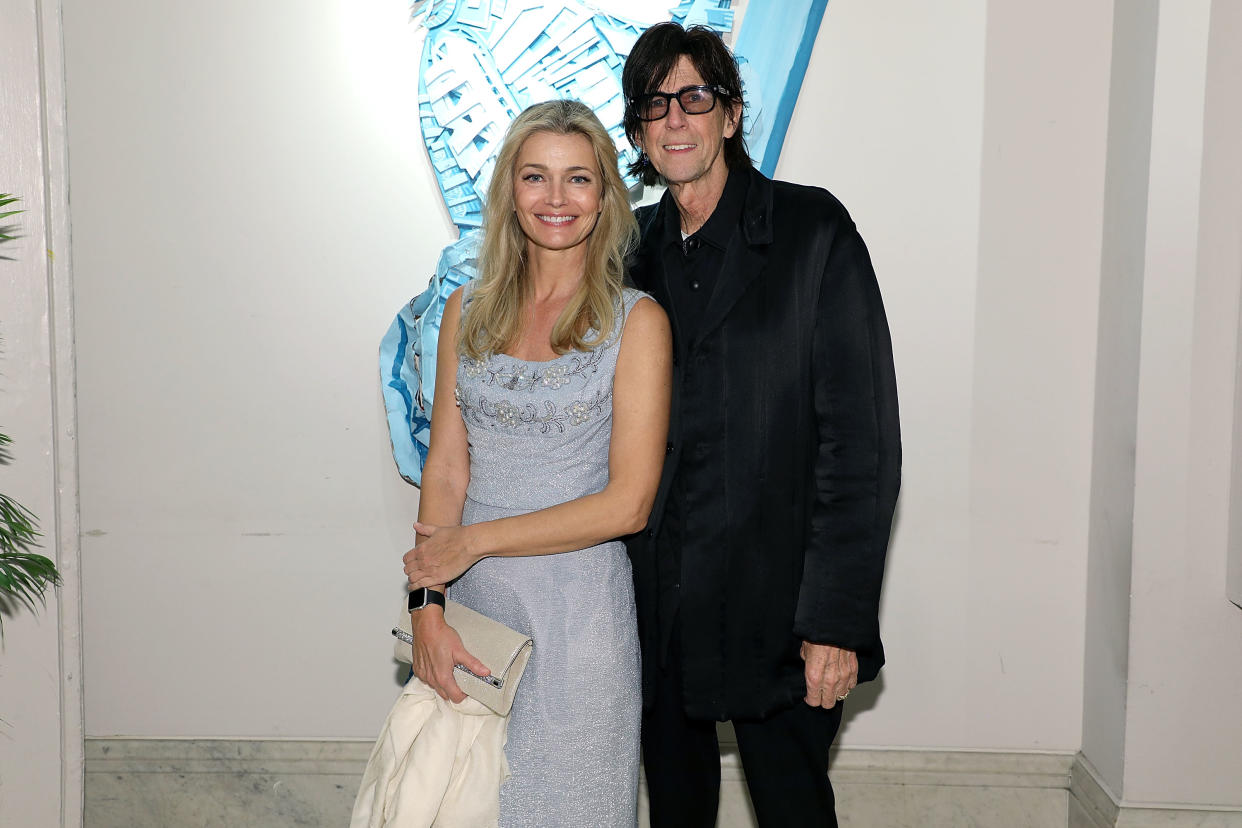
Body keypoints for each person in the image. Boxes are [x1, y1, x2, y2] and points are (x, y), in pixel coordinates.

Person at [620, 23, 902, 827]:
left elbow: (863, 449)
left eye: (694, 97)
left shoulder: (813, 234)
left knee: (794, 814)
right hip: (656, 612)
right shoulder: (626, 254)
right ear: (640, 129)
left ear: (731, 115)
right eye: (654, 103)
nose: (674, 118)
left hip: (781, 617)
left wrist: (834, 625)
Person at [400, 98, 673, 827]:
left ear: (606, 197)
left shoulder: (636, 323)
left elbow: (629, 506)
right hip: (471, 613)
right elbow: (448, 470)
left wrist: (476, 541)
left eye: (578, 179)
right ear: (508, 191)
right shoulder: (467, 310)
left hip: (579, 628)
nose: (556, 199)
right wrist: (426, 611)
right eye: (536, 177)